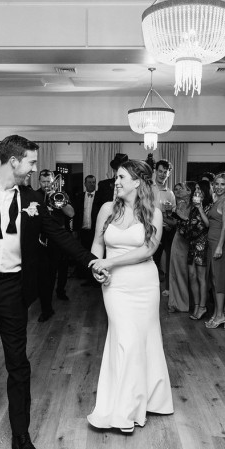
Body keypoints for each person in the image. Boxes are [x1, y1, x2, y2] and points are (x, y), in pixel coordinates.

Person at [0, 135, 95, 449]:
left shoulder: (32, 197)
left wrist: (91, 261)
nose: (35, 168)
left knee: (18, 360)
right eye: (31, 162)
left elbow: (57, 234)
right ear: (14, 161)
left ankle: (21, 433)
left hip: (13, 288)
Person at [87, 159, 173, 433]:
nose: (116, 182)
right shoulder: (106, 209)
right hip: (115, 285)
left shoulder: (153, 213)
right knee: (125, 339)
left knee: (144, 339)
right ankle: (124, 408)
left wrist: (109, 262)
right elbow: (97, 244)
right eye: (116, 177)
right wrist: (96, 267)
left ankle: (146, 400)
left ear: (137, 182)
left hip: (144, 283)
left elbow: (148, 250)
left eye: (122, 177)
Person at [36, 169, 76, 322]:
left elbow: (71, 213)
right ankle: (46, 308)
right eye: (43, 182)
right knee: (45, 275)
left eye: (49, 182)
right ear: (39, 182)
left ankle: (59, 292)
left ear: (53, 182)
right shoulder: (35, 195)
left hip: (58, 239)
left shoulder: (61, 194)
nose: (46, 185)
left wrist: (59, 200)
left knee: (58, 270)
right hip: (41, 240)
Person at [205, 173, 225, 328]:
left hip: (219, 243)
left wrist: (219, 246)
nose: (219, 187)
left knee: (219, 280)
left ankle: (221, 315)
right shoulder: (217, 200)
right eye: (216, 184)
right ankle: (217, 313)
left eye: (222, 184)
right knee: (214, 279)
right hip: (212, 242)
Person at [186, 180, 212, 320]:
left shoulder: (208, 206)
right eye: (195, 189)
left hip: (202, 243)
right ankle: (196, 305)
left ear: (205, 191)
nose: (196, 191)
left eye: (199, 189)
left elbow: (207, 224)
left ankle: (202, 307)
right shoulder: (193, 206)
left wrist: (200, 208)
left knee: (202, 277)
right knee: (192, 275)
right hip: (192, 243)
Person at [167, 182, 192, 312]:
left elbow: (186, 220)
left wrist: (177, 214)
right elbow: (176, 223)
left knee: (184, 272)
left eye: (182, 189)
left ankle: (184, 303)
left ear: (189, 192)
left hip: (187, 240)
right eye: (176, 189)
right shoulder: (180, 204)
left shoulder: (192, 205)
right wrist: (165, 216)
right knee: (175, 271)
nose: (178, 191)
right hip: (178, 238)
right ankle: (175, 302)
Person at [151, 160, 176, 294]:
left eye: (165, 172)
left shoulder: (170, 193)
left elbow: (173, 215)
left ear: (168, 174)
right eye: (160, 171)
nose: (162, 174)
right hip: (151, 230)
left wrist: (169, 217)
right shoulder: (148, 188)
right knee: (151, 260)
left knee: (169, 260)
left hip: (166, 231)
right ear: (155, 171)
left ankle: (167, 288)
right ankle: (151, 288)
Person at [72, 174, 97, 284]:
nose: (92, 184)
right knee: (84, 256)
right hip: (83, 232)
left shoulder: (100, 197)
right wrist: (75, 230)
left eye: (93, 182)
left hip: (95, 232)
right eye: (89, 182)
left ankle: (95, 279)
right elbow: (75, 214)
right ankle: (86, 277)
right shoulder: (79, 196)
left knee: (95, 255)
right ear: (85, 184)